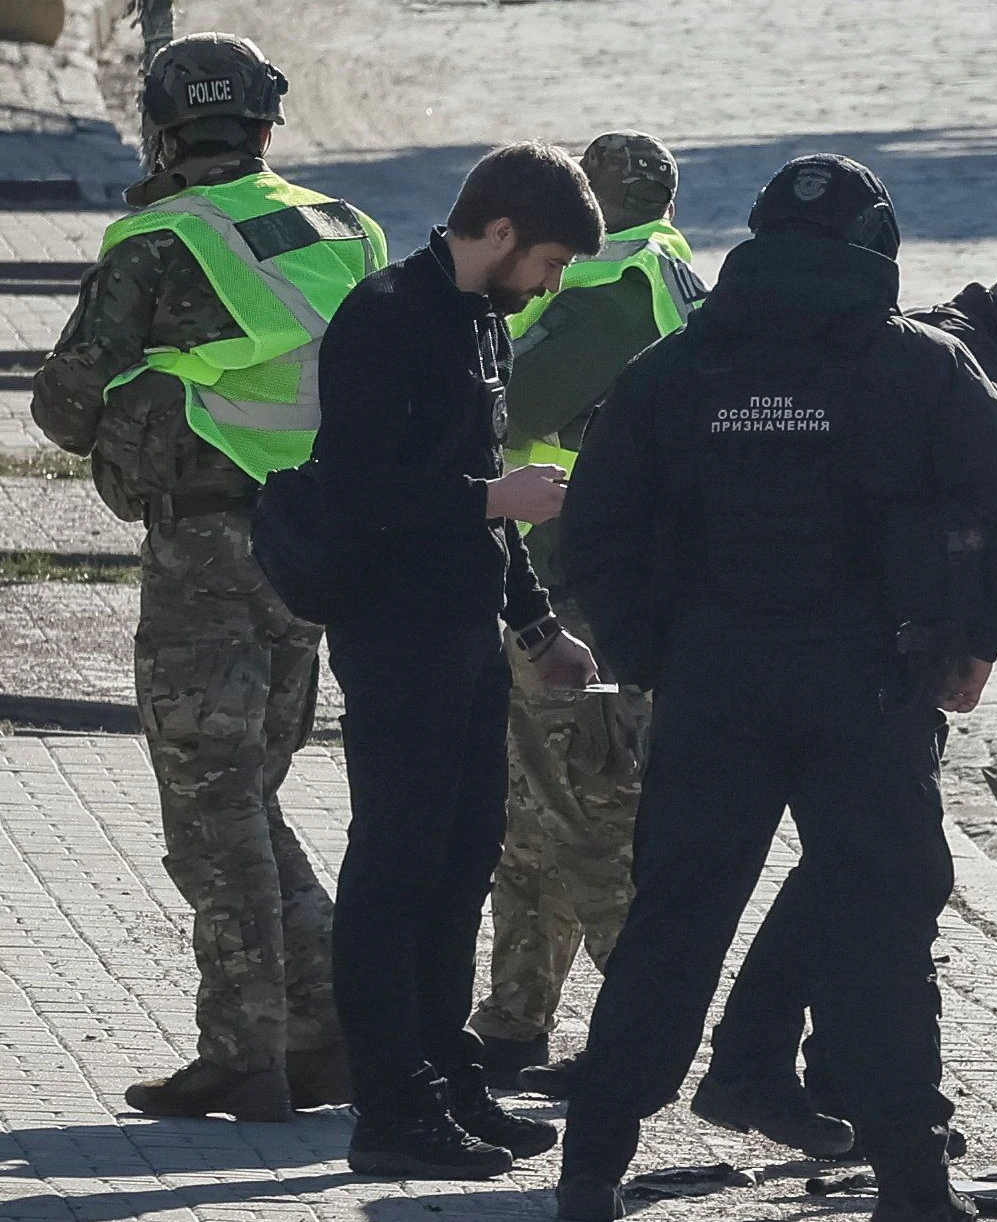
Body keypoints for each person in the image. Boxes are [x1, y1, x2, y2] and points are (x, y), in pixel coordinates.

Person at [525, 241, 997, 1151]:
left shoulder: (875, 354)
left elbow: (610, 511)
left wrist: (652, 652)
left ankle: (731, 1088)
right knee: (879, 878)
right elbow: (996, 506)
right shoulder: (936, 359)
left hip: (737, 673)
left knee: (795, 886)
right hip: (865, 674)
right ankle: (831, 1101)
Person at [30, 31, 385, 1122]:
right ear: (269, 124)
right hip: (315, 548)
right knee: (249, 792)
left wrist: (159, 382)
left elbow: (63, 405)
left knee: (206, 804)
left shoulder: (158, 239)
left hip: (203, 550)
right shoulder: (348, 226)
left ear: (165, 131)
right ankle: (327, 1033)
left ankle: (245, 1052)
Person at [310, 141, 603, 1179]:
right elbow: (357, 495)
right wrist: (490, 499)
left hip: (467, 638)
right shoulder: (385, 316)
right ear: (502, 233)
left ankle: (447, 1075)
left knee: (462, 865)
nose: (553, 285)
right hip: (393, 634)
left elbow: (487, 503)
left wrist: (537, 628)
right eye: (553, 262)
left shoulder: (484, 319)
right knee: (395, 869)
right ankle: (389, 1105)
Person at [469, 131, 706, 1086]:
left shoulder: (612, 282)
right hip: (586, 575)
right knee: (530, 822)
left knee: (589, 816)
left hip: (583, 583)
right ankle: (515, 1022)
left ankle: (648, 1041)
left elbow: (519, 409)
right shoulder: (676, 271)